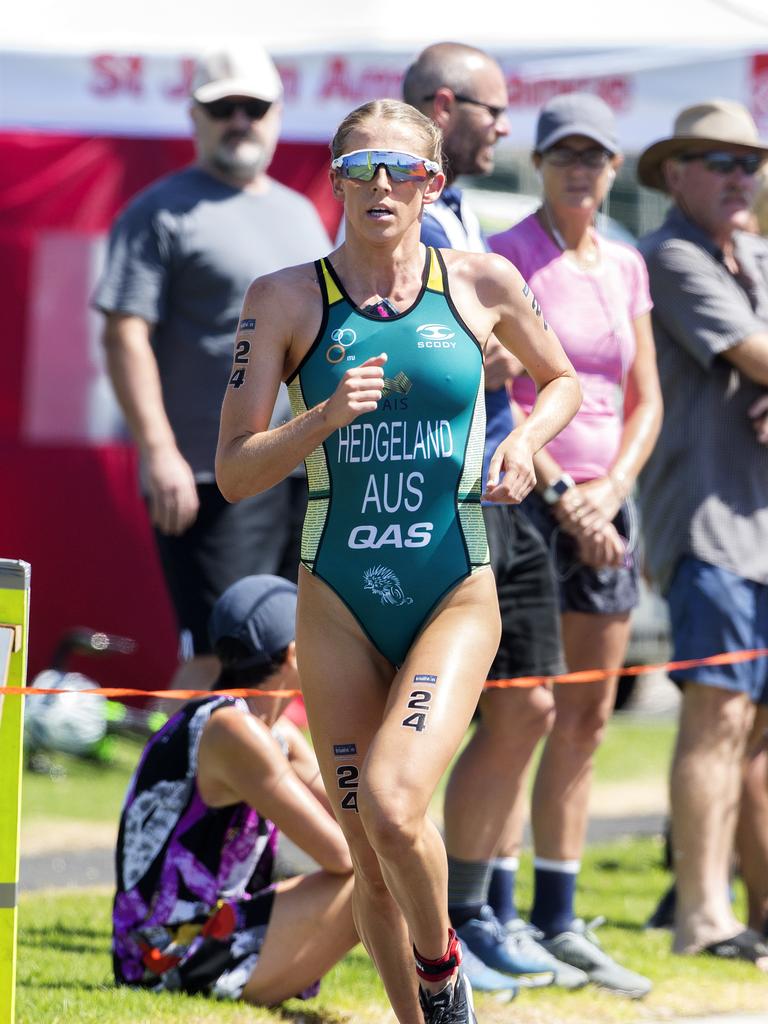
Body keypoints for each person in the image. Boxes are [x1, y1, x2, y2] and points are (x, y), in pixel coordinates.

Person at [216, 98, 581, 1024]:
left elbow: (565, 379)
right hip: (335, 599)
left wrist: (526, 439)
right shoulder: (284, 298)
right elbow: (232, 472)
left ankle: (439, 964)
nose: (382, 184)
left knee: (391, 800)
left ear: (434, 183)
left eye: (402, 168)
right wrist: (324, 415)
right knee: (370, 858)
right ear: (334, 180)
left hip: (453, 587)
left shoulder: (482, 282)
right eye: (360, 167)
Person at [402, 42, 584, 994]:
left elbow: (547, 369)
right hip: (436, 500)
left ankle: (475, 911)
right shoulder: (396, 212)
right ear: (445, 104)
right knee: (433, 726)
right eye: (494, 111)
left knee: (533, 704)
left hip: (507, 484)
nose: (506, 128)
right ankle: (437, 920)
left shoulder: (468, 212)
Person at [486, 93, 663, 997]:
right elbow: (514, 396)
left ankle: (560, 916)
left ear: (614, 166)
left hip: (607, 505)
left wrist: (615, 493)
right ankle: (502, 908)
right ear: (542, 163)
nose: (580, 171)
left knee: (588, 720)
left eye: (595, 156)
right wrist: (567, 499)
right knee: (528, 712)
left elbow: (646, 398)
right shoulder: (509, 256)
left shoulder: (629, 265)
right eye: (565, 156)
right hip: (532, 506)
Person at [93, 46, 331, 697]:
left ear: (278, 116)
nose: (238, 120)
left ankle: (240, 801)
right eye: (221, 108)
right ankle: (169, 795)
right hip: (210, 473)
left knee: (284, 654)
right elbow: (124, 335)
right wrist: (160, 453)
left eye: (252, 107)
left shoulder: (301, 214)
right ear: (195, 116)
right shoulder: (159, 212)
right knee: (220, 656)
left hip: (300, 473)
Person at [635, 98, 768, 968]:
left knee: (754, 735)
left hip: (755, 531)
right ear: (675, 173)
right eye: (716, 160)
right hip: (712, 528)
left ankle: (742, 909)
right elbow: (758, 359)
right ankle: (700, 917)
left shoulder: (748, 253)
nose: (737, 175)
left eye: (747, 162)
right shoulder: (672, 253)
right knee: (718, 722)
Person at [112, 573, 357, 1003]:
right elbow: (339, 853)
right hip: (165, 954)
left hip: (197, 930)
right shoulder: (233, 731)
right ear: (293, 654)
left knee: (391, 868)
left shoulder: (263, 725)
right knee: (381, 879)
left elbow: (348, 808)